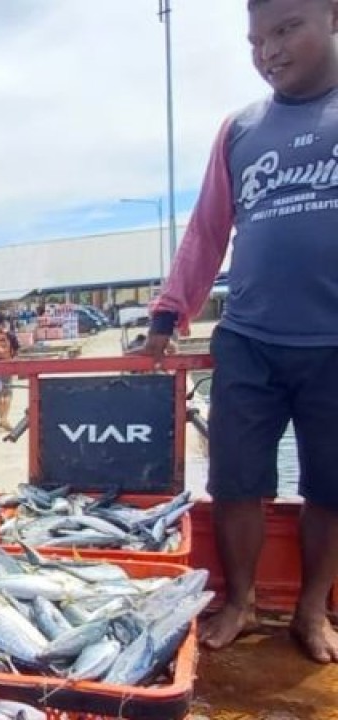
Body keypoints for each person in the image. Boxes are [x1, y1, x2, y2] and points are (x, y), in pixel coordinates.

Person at [138, 0, 338, 664]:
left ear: (332, 16)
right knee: (235, 481)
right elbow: (206, 233)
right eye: (255, 39)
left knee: (330, 486)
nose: (268, 50)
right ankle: (241, 599)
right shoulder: (240, 130)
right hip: (248, 338)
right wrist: (168, 315)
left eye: (286, 30)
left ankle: (311, 608)